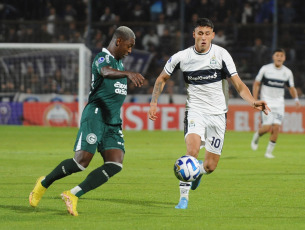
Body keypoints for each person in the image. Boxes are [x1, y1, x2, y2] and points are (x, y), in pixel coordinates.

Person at [148, 18, 270, 209]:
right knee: (192, 151)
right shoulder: (182, 57)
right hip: (195, 111)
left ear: (212, 35)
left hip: (218, 115)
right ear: (194, 34)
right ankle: (183, 198)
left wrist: (253, 101)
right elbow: (162, 78)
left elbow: (238, 84)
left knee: (210, 166)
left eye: (207, 33)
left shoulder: (221, 55)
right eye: (200, 33)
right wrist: (154, 102)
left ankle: (198, 173)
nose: (203, 37)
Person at [29, 26, 145, 216]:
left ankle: (73, 194)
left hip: (113, 121)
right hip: (96, 115)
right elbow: (106, 72)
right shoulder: (103, 58)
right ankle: (43, 183)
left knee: (115, 164)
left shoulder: (119, 62)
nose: (130, 50)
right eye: (129, 46)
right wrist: (128, 74)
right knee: (81, 162)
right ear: (118, 41)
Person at [251, 48, 300, 158]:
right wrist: (255, 100)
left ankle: (268, 152)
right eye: (277, 55)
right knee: (267, 128)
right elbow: (256, 83)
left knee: (276, 128)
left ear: (284, 58)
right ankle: (257, 135)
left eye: (281, 55)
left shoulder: (287, 72)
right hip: (266, 102)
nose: (279, 57)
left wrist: (296, 99)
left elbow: (291, 88)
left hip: (279, 104)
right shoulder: (265, 69)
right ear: (273, 57)